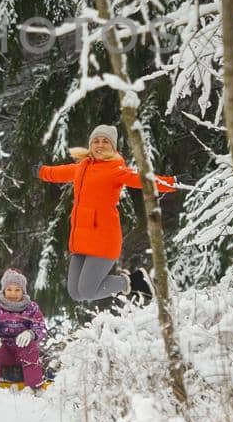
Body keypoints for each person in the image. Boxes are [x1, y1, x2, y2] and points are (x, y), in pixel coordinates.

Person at [38, 124, 176, 302]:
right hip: (80, 239)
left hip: (103, 239)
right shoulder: (82, 166)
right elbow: (59, 172)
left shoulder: (116, 169)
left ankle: (133, 282)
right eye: (96, 141)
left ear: (113, 147)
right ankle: (131, 282)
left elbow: (145, 180)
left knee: (87, 292)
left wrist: (172, 183)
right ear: (90, 145)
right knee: (76, 293)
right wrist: (41, 172)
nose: (100, 145)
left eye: (105, 141)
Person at [0, 268, 48, 391]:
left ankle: (35, 388)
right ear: (4, 290)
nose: (13, 294)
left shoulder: (32, 308)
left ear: (23, 291)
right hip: (2, 351)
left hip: (24, 351)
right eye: (9, 289)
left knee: (31, 348)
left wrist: (31, 333)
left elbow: (41, 327)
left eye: (17, 290)